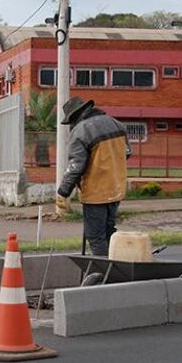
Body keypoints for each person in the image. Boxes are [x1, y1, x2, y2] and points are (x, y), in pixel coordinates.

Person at [57, 97, 130, 256]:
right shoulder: (115, 123)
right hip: (116, 188)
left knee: (95, 237)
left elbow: (76, 165)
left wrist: (63, 192)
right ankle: (116, 269)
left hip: (96, 192)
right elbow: (127, 153)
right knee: (109, 232)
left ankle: (103, 274)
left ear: (75, 116)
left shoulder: (81, 130)